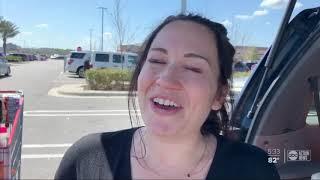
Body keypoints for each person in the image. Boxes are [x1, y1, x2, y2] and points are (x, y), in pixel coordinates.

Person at [55, 14, 280, 180]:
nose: (166, 79)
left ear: (219, 95)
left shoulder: (254, 169)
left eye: (193, 68)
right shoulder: (87, 160)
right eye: (157, 61)